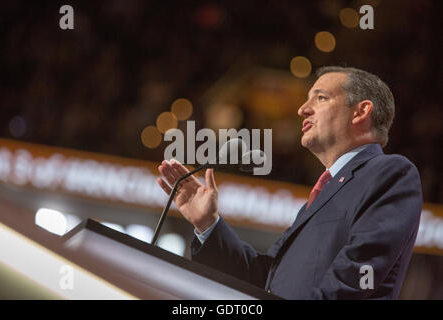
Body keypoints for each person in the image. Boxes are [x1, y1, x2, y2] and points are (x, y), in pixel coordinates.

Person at [157, 66, 423, 299]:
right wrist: (208, 224)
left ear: (360, 111)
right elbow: (265, 278)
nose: (302, 109)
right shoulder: (325, 191)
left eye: (320, 97)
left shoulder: (391, 173)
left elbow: (356, 276)